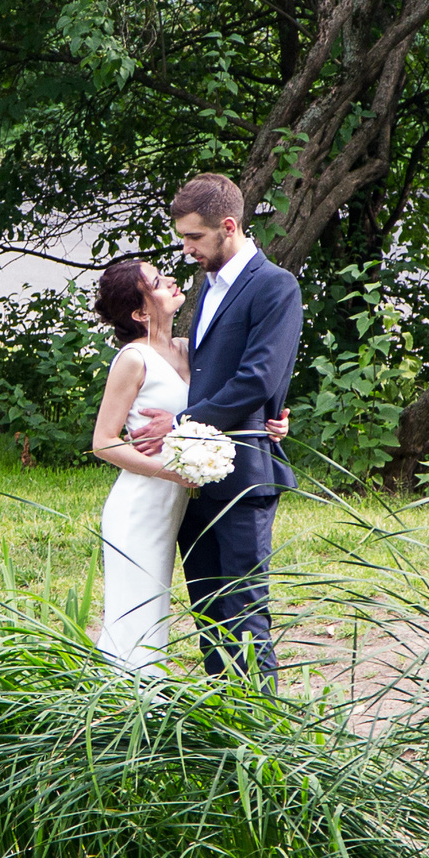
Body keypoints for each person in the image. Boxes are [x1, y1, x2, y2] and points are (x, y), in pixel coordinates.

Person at [130, 174, 302, 681]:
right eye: (182, 237)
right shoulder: (208, 287)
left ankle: (262, 739)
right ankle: (222, 734)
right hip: (195, 479)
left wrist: (181, 423)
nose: (186, 250)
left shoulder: (275, 287)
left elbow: (256, 380)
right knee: (208, 614)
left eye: (194, 237)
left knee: (246, 614)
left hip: (245, 477)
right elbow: (206, 373)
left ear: (229, 226)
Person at [89, 255, 293, 675]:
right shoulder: (133, 360)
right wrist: (171, 470)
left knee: (178, 607)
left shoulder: (188, 349)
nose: (173, 283)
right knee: (138, 613)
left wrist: (269, 424)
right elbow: (104, 443)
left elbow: (225, 402)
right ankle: (122, 707)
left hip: (184, 502)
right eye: (159, 283)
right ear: (140, 312)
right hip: (143, 503)